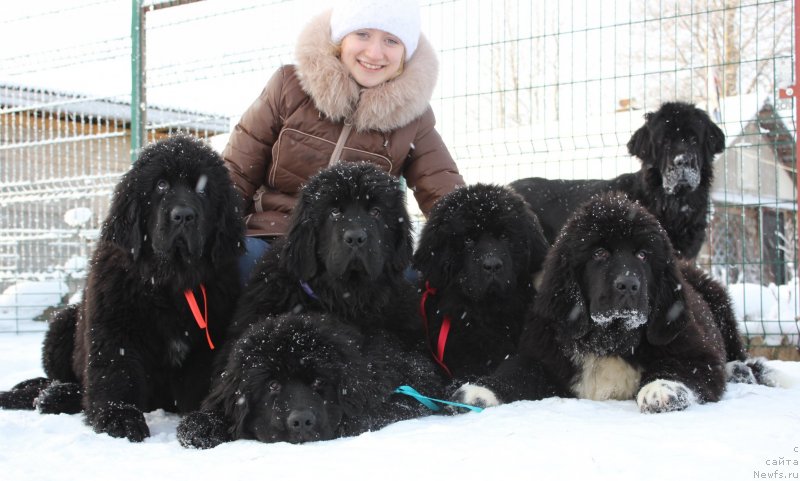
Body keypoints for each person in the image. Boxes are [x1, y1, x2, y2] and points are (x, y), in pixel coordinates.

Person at [222, 0, 465, 285]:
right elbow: (236, 174)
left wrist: (471, 242)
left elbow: (445, 194)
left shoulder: (413, 117)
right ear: (340, 38)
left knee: (419, 278)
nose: (374, 53)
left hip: (360, 248)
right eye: (362, 34)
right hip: (274, 236)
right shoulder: (289, 86)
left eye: (391, 40)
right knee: (239, 261)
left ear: (405, 52)